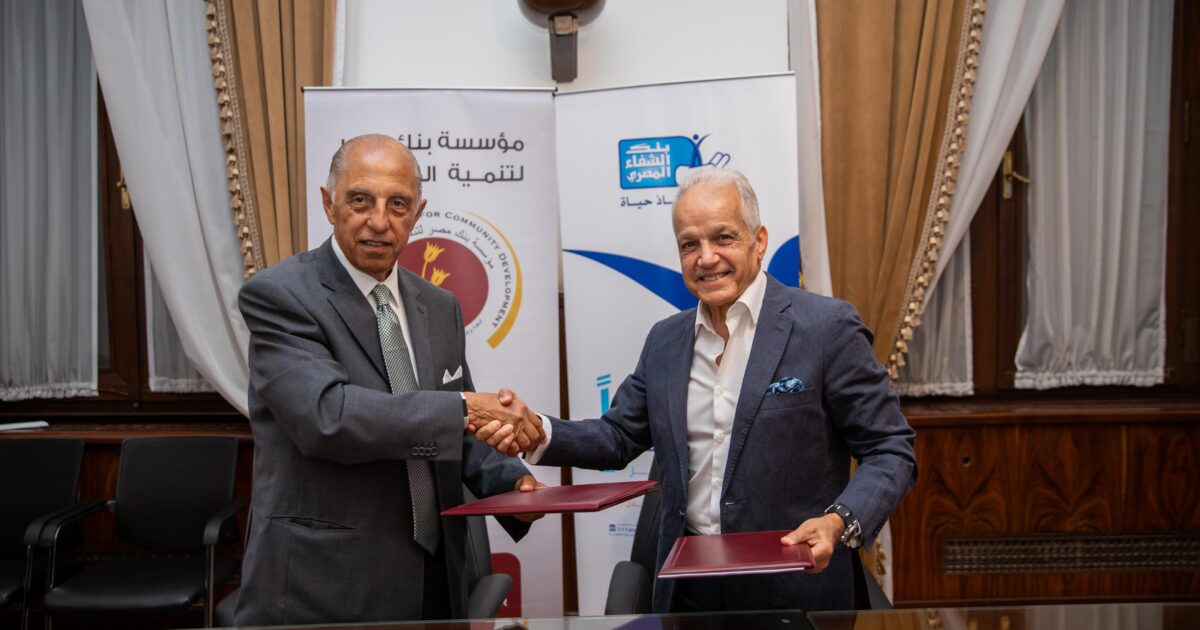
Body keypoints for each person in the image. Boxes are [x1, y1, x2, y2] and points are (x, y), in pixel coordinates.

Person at [479, 168, 917, 613]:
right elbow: (618, 436)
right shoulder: (665, 341)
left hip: (796, 584)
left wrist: (838, 521)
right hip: (688, 589)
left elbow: (890, 449)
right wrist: (537, 430)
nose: (706, 258)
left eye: (723, 237)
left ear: (759, 240)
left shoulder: (826, 328)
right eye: (689, 244)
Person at [234, 134, 544, 625]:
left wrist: (513, 485)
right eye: (360, 200)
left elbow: (454, 429)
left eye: (397, 204)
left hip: (437, 577)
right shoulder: (280, 295)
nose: (379, 221)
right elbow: (328, 417)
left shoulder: (439, 307)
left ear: (417, 213)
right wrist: (466, 407)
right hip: (326, 584)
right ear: (328, 204)